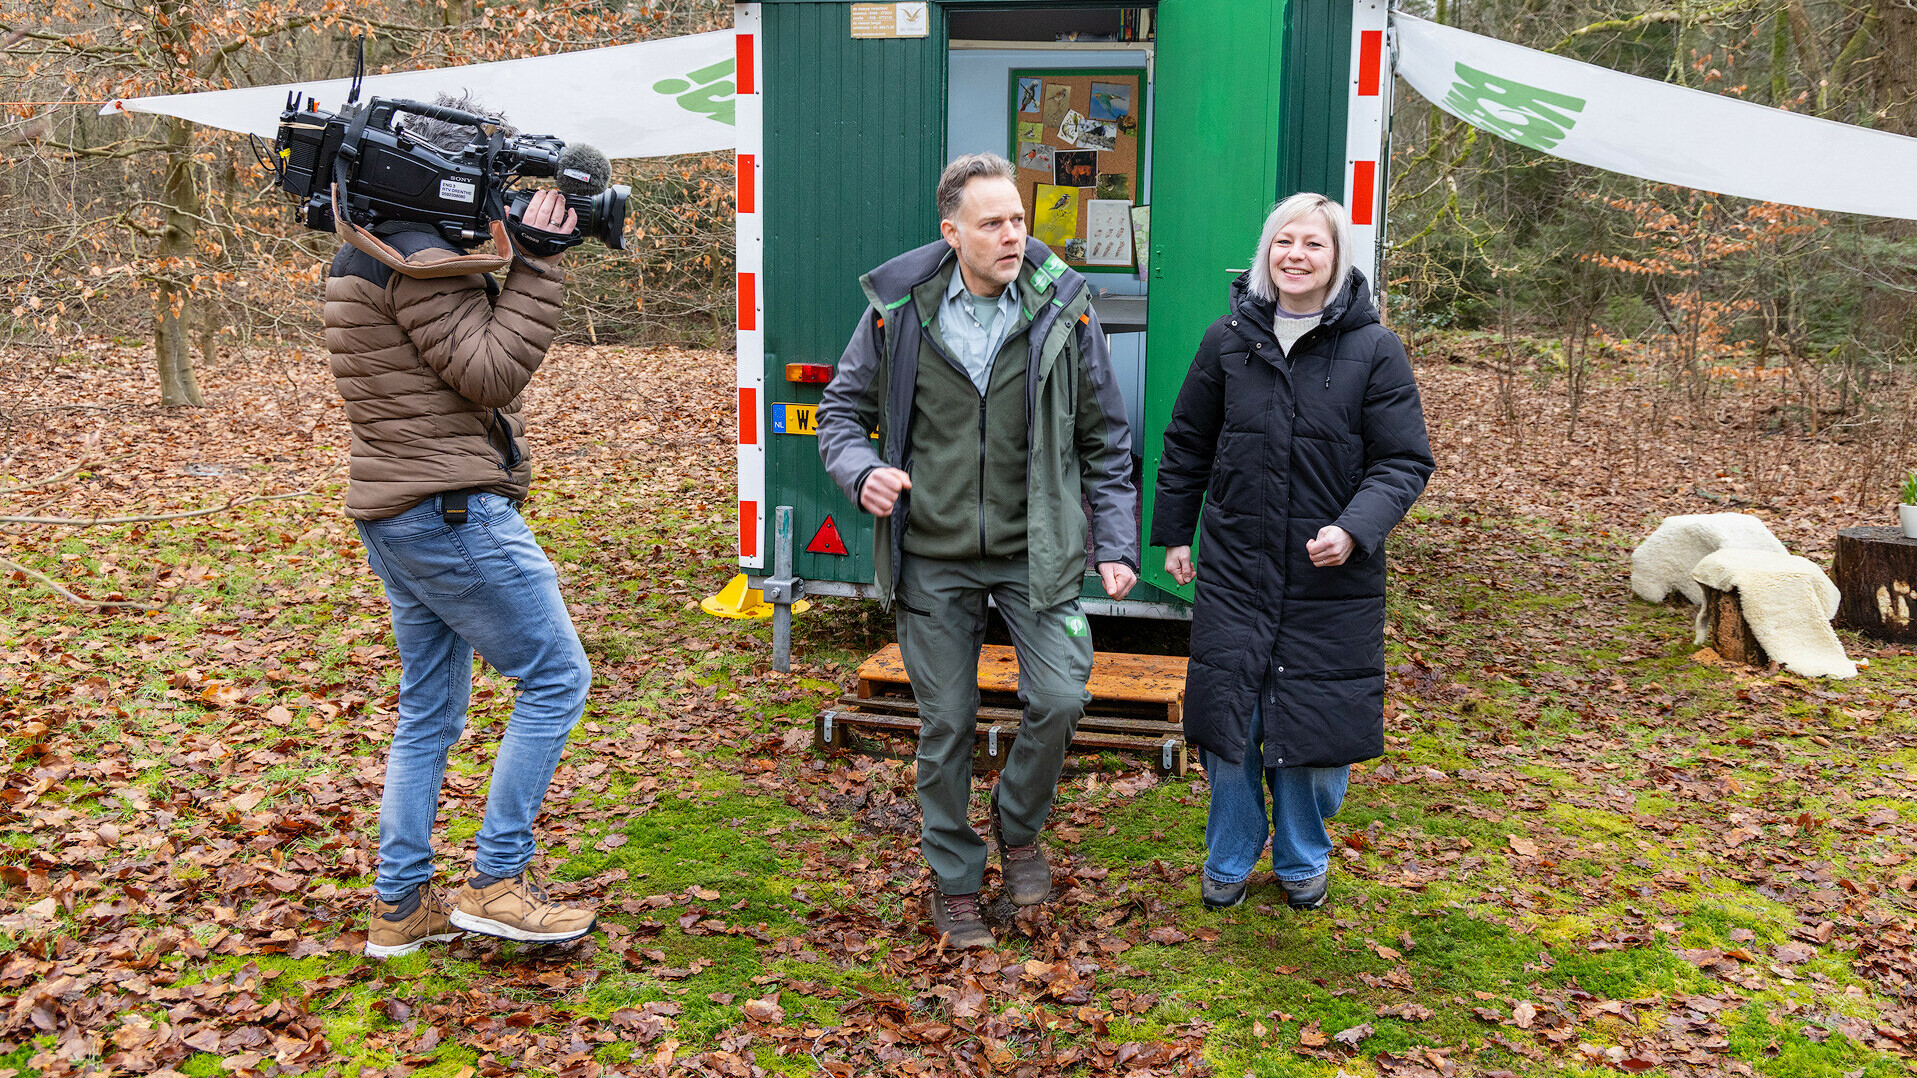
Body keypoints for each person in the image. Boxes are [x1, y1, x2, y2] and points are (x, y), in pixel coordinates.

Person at [817, 153, 1140, 948]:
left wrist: (1116, 540)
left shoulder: (1065, 309)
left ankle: (1016, 823)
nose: (1011, 235)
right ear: (951, 231)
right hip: (935, 553)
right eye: (992, 222)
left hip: (1040, 549)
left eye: (1018, 220)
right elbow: (839, 412)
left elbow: (1106, 439)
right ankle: (955, 879)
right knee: (947, 722)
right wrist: (862, 472)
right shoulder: (897, 312)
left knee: (1062, 698)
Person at [325, 94, 598, 957]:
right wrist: (540, 263)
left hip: (399, 506)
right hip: (447, 511)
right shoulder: (413, 256)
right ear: (434, 174)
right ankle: (497, 883)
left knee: (429, 714)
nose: (493, 190)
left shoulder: (368, 248)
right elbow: (487, 374)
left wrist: (501, 247)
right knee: (557, 679)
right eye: (484, 174)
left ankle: (401, 906)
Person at [1152, 192, 1433, 913]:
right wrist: (1174, 534)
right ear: (1265, 253)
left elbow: (1402, 462)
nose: (1296, 255)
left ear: (1337, 261)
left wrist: (1354, 528)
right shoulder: (1227, 342)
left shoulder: (1374, 350)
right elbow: (1188, 442)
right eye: (1284, 241)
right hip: (1237, 566)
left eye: (1314, 244)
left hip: (1327, 574)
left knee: (1311, 725)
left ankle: (1304, 856)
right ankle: (1229, 855)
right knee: (1231, 720)